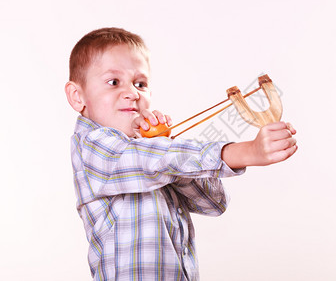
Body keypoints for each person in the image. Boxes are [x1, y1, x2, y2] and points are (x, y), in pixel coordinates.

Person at [65, 27, 297, 280]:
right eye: (113, 82)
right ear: (77, 97)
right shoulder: (93, 144)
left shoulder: (155, 152)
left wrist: (161, 142)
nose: (132, 92)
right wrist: (245, 152)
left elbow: (213, 202)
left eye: (140, 83)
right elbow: (149, 158)